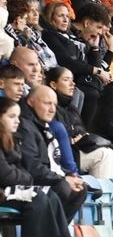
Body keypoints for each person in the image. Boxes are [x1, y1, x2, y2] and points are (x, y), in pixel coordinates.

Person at [0, 98, 72, 237]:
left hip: (12, 188)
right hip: (3, 192)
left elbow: (20, 170)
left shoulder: (10, 140)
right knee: (37, 196)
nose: (17, 121)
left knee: (50, 194)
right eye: (11, 117)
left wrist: (23, 176)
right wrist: (25, 177)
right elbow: (5, 174)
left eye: (18, 117)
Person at [19, 86, 88, 222]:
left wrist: (67, 174)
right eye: (47, 103)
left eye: (55, 105)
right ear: (31, 102)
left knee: (81, 188)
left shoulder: (43, 126)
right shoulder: (26, 127)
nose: (52, 109)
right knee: (63, 187)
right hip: (28, 182)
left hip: (44, 177)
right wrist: (61, 179)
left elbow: (50, 162)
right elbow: (32, 166)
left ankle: (58, 236)